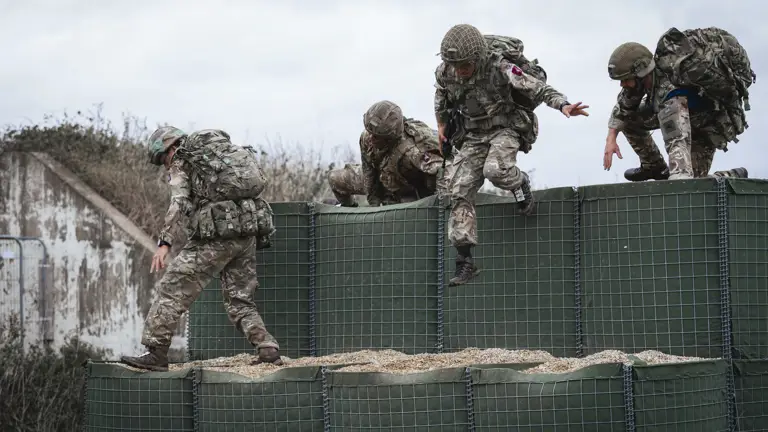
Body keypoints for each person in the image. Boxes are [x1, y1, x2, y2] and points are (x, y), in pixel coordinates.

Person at [434, 23, 589, 287]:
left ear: (478, 59)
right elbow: (441, 95)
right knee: (458, 188)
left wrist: (562, 104)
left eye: (465, 65)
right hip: (473, 134)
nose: (460, 71)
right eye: (455, 65)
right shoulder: (447, 71)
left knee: (495, 170)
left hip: (506, 127)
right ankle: (465, 261)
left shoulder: (499, 66)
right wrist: (440, 125)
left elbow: (535, 87)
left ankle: (521, 185)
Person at [120, 126, 282, 371]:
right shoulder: (221, 159)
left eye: (164, 159)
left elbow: (179, 203)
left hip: (215, 238)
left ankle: (156, 352)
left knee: (171, 288)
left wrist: (165, 242)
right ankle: (266, 346)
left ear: (171, 148)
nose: (165, 166)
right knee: (240, 299)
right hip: (246, 234)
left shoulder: (183, 161)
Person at [602, 27, 756, 181]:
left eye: (625, 79)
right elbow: (623, 110)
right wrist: (611, 137)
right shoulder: (644, 79)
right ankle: (653, 166)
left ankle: (730, 177)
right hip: (687, 117)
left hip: (705, 127)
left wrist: (677, 177)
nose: (623, 84)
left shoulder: (669, 94)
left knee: (690, 185)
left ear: (641, 73)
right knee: (629, 120)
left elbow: (676, 141)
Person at [358, 100, 449, 206]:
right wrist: (374, 205)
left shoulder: (413, 151)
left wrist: (435, 204)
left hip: (413, 187)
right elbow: (368, 173)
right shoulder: (367, 137)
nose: (371, 139)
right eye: (370, 133)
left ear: (389, 138)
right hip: (386, 178)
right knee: (336, 179)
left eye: (377, 137)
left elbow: (443, 175)